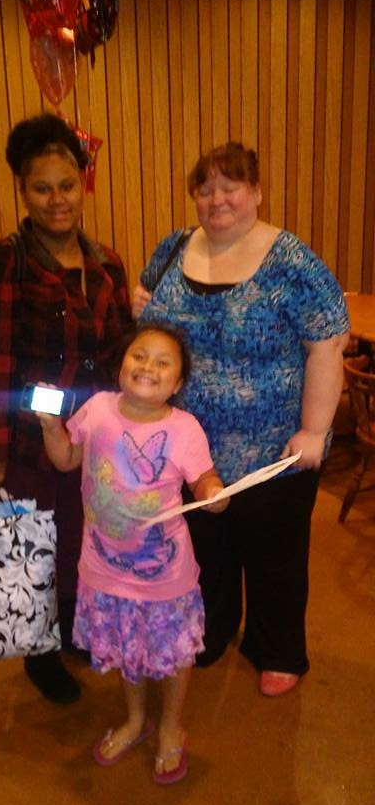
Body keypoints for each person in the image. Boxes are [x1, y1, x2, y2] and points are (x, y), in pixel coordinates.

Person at [132, 141, 350, 697]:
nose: (217, 199)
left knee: (275, 556)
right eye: (205, 189)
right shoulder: (174, 247)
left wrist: (315, 430)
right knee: (207, 549)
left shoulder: (290, 261)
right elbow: (144, 297)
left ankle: (277, 650)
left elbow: (328, 342)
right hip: (190, 449)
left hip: (274, 451)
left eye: (230, 187)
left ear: (256, 192)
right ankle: (214, 628)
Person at [0, 113, 133, 704]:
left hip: (93, 435)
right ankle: (37, 651)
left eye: (66, 185)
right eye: (42, 188)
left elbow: (120, 349)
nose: (57, 200)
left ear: (83, 184)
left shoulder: (107, 261)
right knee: (28, 543)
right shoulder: (0, 260)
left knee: (82, 538)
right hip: (29, 436)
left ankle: (73, 628)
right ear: (22, 190)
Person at [38, 324, 228, 784]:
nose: (148, 367)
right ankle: (137, 719)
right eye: (139, 355)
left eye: (163, 362)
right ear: (122, 364)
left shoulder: (184, 428)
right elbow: (66, 460)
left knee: (173, 654)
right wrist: (50, 426)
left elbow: (205, 479)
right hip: (104, 568)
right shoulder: (98, 408)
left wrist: (214, 493)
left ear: (177, 383)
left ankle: (171, 727)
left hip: (164, 577)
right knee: (128, 650)